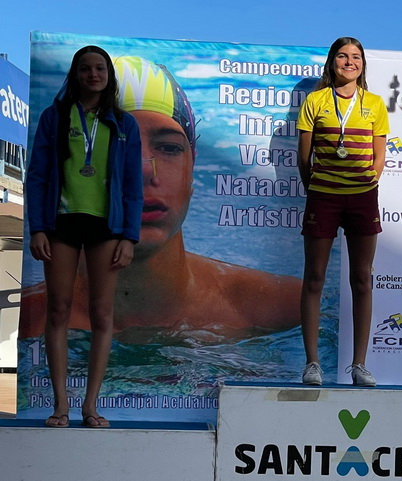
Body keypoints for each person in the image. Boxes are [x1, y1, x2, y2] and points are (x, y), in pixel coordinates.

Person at [20, 56, 301, 341]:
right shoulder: (22, 323)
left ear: (191, 171)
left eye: (169, 148)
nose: (144, 169)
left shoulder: (285, 309)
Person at [25, 45, 143, 428]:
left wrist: (129, 236)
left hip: (106, 227)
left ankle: (90, 406)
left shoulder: (123, 124)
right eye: (85, 68)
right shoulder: (55, 117)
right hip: (60, 224)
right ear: (75, 75)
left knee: (101, 314)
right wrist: (37, 228)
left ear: (109, 75)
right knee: (58, 310)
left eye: (100, 68)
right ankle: (60, 405)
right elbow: (37, 176)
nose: (93, 74)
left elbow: (133, 185)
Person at [297, 37, 389, 386]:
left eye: (356, 57)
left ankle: (359, 365)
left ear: (362, 64)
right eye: (342, 56)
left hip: (362, 198)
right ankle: (312, 364)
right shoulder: (316, 101)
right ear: (331, 62)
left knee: (362, 278)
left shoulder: (374, 103)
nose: (349, 62)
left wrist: (367, 182)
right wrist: (318, 189)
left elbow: (379, 157)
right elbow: (303, 158)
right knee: (314, 277)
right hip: (323, 197)